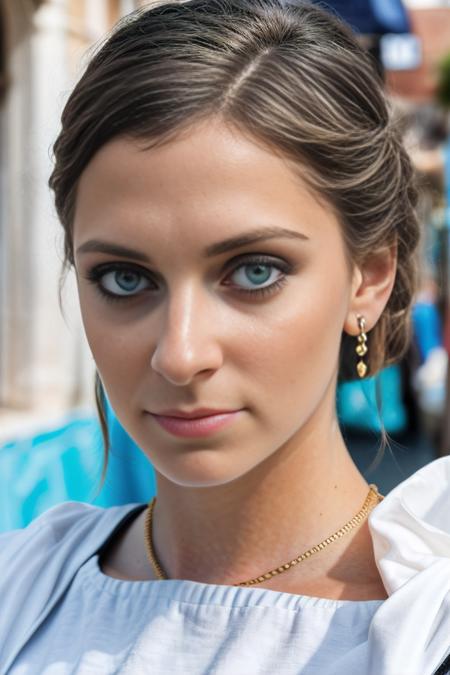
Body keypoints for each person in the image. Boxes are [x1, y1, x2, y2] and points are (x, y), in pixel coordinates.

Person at [0, 1, 449, 673]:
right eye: (125, 278)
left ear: (370, 277)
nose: (179, 353)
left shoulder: (423, 630)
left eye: (254, 271)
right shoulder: (19, 591)